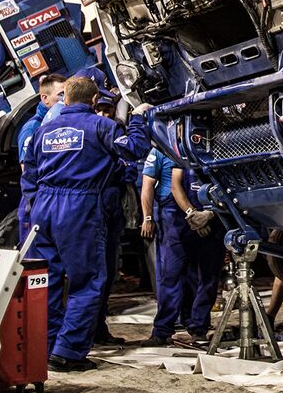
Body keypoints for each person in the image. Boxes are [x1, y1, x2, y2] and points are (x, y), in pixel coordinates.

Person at [31, 76, 152, 372]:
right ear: (95, 101)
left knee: (48, 281)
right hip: (79, 208)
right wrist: (137, 118)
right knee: (87, 282)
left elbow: (31, 167)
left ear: (66, 99)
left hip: (43, 206)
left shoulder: (44, 130)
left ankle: (46, 347)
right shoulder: (100, 126)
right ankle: (68, 352)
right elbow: (135, 148)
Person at [138, 146, 222, 346]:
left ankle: (198, 327)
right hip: (175, 215)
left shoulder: (217, 146)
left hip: (212, 215)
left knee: (207, 276)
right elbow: (171, 185)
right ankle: (162, 330)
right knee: (171, 274)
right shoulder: (164, 149)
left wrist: (211, 214)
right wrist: (191, 214)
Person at [91, 88, 132, 346]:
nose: (105, 114)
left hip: (113, 208)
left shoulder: (115, 134)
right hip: (95, 210)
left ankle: (98, 328)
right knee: (94, 275)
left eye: (108, 110)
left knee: (108, 274)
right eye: (100, 109)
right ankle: (88, 331)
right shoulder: (95, 135)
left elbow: (128, 168)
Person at [17, 73, 66, 245]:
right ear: (45, 98)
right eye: (60, 94)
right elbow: (28, 173)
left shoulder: (62, 122)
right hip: (36, 204)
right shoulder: (33, 128)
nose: (65, 99)